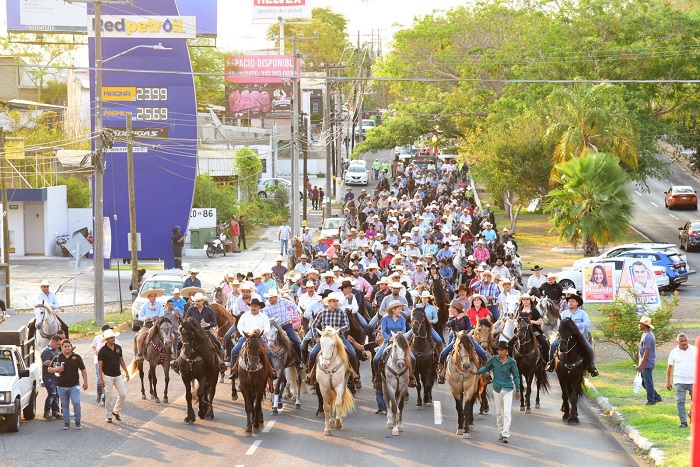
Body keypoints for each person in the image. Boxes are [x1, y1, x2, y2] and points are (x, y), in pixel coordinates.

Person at [472, 341, 521, 444]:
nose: (500, 352)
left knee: (507, 412)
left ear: (506, 351)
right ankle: (500, 431)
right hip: (497, 388)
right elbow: (486, 368)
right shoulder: (494, 359)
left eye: (502, 350)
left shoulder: (512, 362)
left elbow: (516, 375)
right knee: (499, 412)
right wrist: (476, 372)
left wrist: (518, 389)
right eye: (499, 350)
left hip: (508, 388)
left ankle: (506, 434)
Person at [547, 294, 598, 376]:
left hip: (579, 335)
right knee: (553, 345)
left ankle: (591, 366)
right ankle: (550, 363)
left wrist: (576, 325)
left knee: (589, 347)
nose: (570, 303)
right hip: (565, 336)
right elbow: (559, 324)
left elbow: (587, 323)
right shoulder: (564, 313)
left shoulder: (582, 313)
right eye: (569, 301)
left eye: (572, 301)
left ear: (577, 303)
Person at [373, 300, 417, 388]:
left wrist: (399, 336)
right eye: (399, 309)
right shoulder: (385, 319)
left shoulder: (402, 319)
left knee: (413, 358)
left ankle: (411, 377)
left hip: (400, 341)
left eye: (400, 309)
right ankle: (377, 378)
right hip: (388, 341)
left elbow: (403, 330)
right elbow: (383, 331)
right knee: (376, 358)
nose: (400, 311)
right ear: (393, 309)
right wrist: (389, 338)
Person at [49, 339, 88, 430]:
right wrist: (57, 369)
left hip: (74, 385)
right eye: (65, 346)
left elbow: (83, 369)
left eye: (68, 346)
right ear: (61, 348)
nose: (67, 348)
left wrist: (85, 382)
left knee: (76, 402)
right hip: (62, 386)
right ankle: (67, 423)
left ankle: (77, 421)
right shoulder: (57, 358)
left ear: (71, 347)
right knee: (65, 404)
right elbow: (49, 369)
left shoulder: (76, 357)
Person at [184, 292, 227, 371]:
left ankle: (221, 363)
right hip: (193, 333)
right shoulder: (191, 309)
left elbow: (214, 322)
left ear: (203, 301)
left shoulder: (209, 310)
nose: (197, 303)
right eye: (195, 301)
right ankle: (178, 363)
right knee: (181, 344)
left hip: (206, 331)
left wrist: (208, 324)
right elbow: (185, 321)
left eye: (198, 301)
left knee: (218, 345)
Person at [98, 329, 130, 423]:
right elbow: (100, 366)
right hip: (107, 376)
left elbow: (122, 360)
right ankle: (109, 415)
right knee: (109, 397)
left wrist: (127, 372)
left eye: (114, 337)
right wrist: (101, 379)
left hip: (118, 374)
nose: (113, 339)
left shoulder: (118, 348)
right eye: (111, 338)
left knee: (123, 394)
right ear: (107, 340)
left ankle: (116, 411)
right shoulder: (102, 351)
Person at [666, 333, 697, 427]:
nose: (684, 343)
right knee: (680, 401)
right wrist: (668, 381)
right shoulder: (674, 352)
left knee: (696, 401)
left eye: (685, 340)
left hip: (694, 381)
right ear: (677, 342)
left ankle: (692, 413)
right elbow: (670, 367)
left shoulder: (695, 350)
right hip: (679, 381)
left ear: (688, 340)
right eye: (681, 341)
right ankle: (683, 422)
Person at [91, 324, 121, 404]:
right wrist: (96, 351)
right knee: (99, 380)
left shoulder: (114, 339)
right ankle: (99, 393)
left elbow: (118, 348)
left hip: (108, 363)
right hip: (98, 361)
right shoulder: (97, 338)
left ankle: (105, 398)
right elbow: (93, 346)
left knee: (106, 380)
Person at [638, 315, 662, 405]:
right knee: (644, 382)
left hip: (647, 363)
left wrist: (641, 365)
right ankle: (656, 396)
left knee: (647, 382)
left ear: (645, 325)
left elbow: (646, 352)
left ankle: (651, 400)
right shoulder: (645, 335)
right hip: (645, 363)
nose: (639, 325)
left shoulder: (648, 337)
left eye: (640, 324)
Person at [136, 289, 164, 358]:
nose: (153, 298)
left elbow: (162, 314)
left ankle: (169, 353)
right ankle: (140, 355)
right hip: (148, 325)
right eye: (151, 296)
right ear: (148, 297)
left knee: (171, 336)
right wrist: (145, 319)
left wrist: (157, 316)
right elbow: (140, 316)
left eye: (154, 296)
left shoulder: (159, 305)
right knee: (139, 339)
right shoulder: (144, 306)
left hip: (158, 325)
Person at [40, 335, 62, 420]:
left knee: (56, 394)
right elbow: (45, 363)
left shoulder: (56, 350)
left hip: (56, 376)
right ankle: (47, 412)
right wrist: (56, 362)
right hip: (48, 376)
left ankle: (55, 411)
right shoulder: (46, 351)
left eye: (60, 344)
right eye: (57, 344)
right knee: (52, 393)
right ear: (52, 341)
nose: (58, 346)